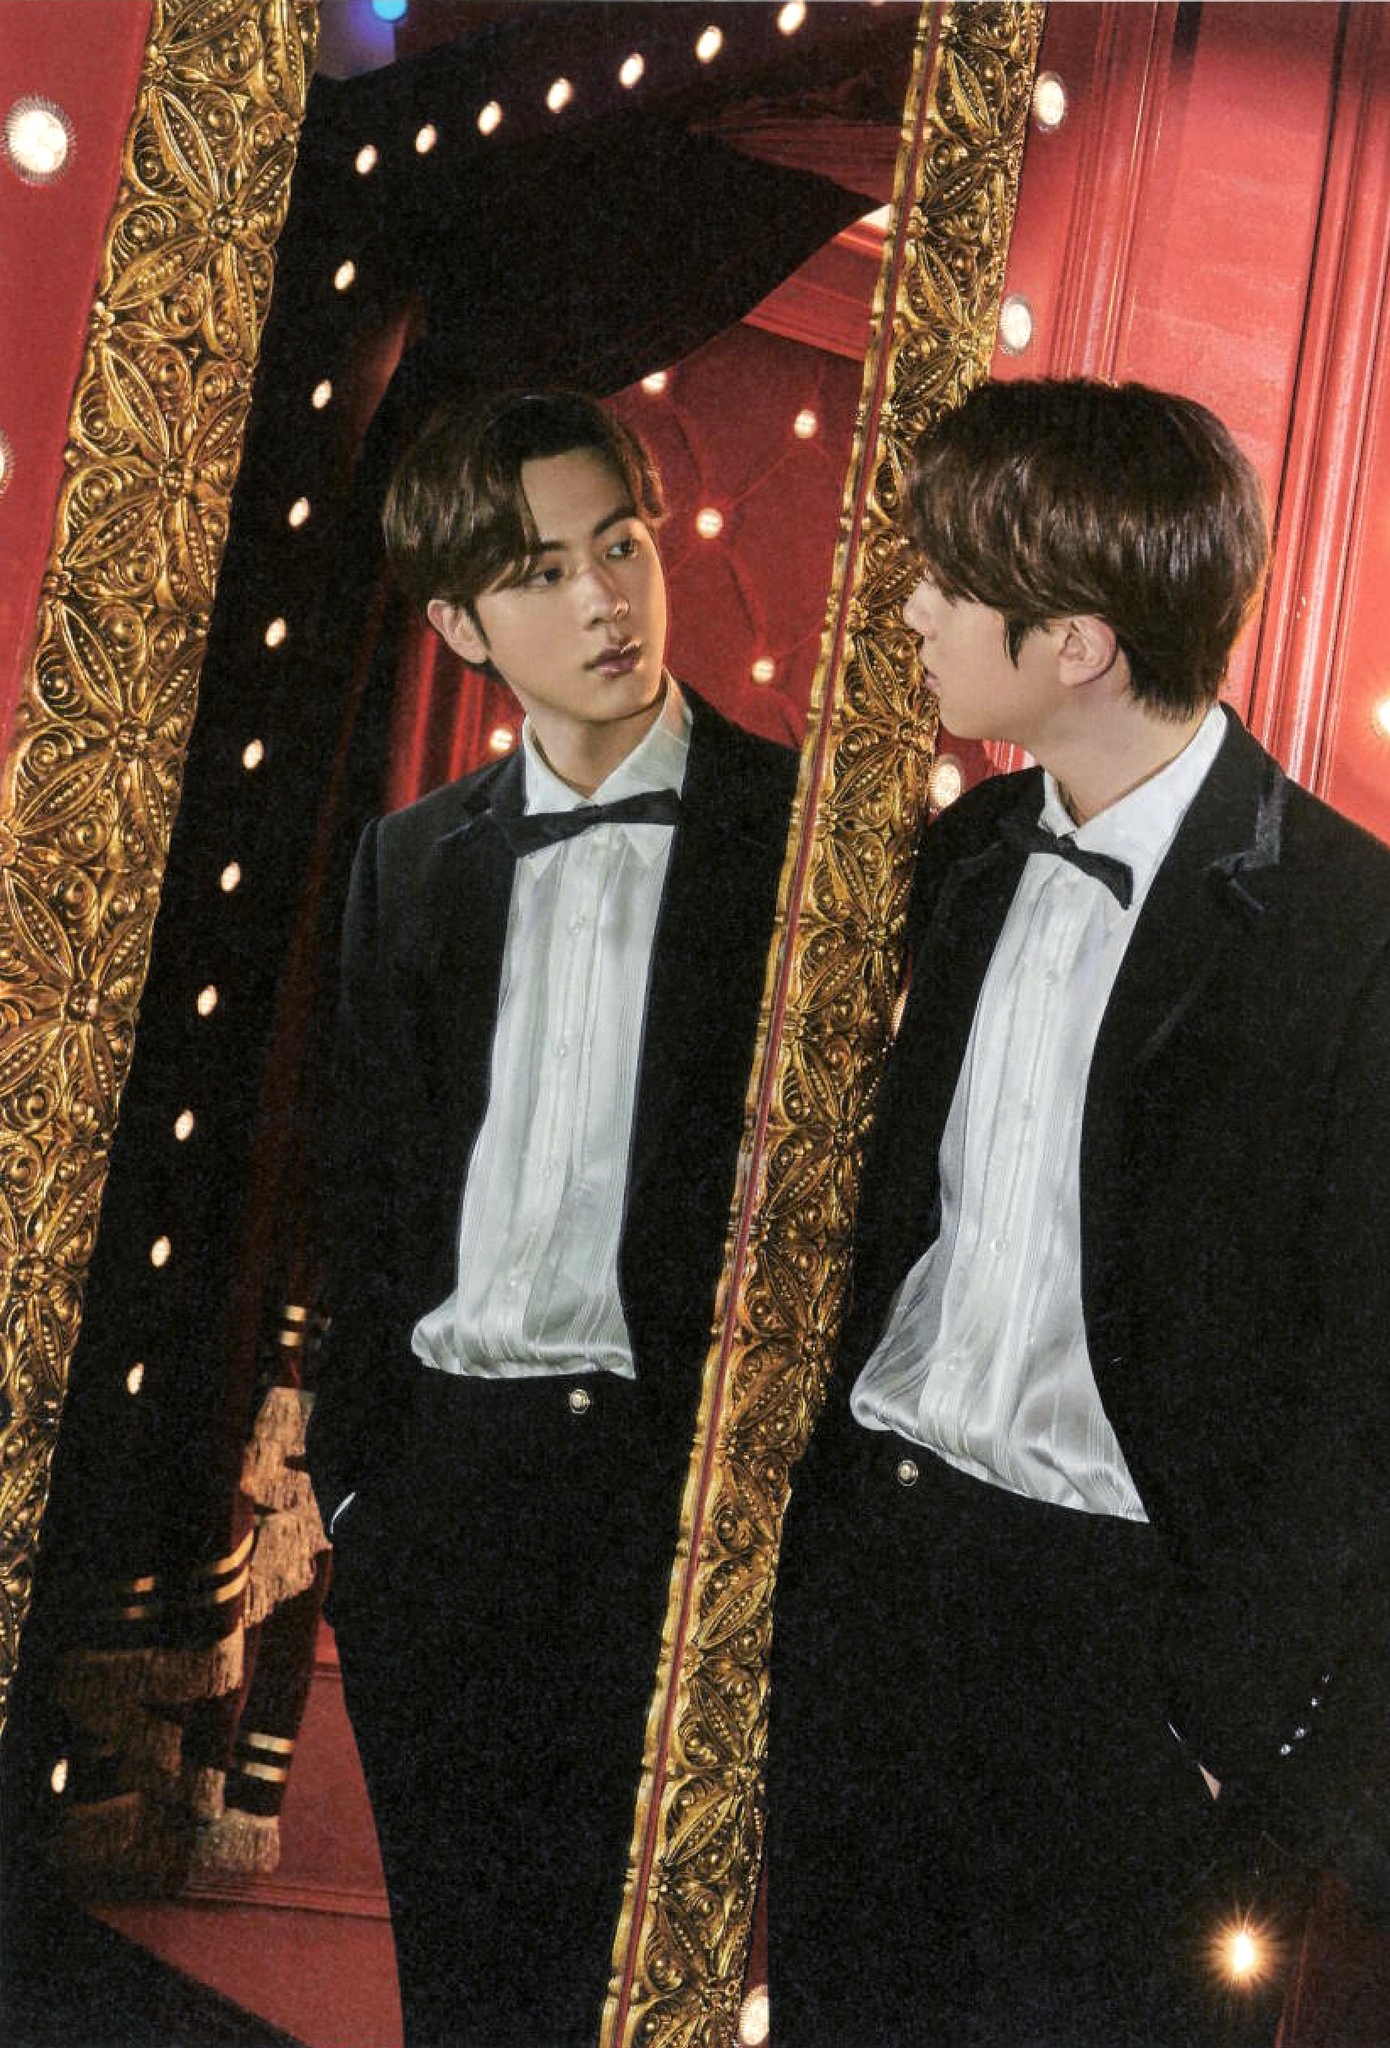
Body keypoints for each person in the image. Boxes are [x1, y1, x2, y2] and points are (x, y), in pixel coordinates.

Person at [765, 377, 1390, 2047]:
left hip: (1130, 1669)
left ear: (1079, 645)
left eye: (949, 581)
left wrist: (1223, 1719)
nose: (911, 610)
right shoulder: (965, 856)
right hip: (877, 1598)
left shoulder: (1388, 950)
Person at [305, 389, 798, 2048]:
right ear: (458, 625)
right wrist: (362, 1494)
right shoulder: (407, 864)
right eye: (539, 572)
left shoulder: (804, 840)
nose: (604, 599)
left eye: (622, 544)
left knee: (636, 2002)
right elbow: (371, 1203)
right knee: (460, 1994)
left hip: (662, 1505)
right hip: (439, 1505)